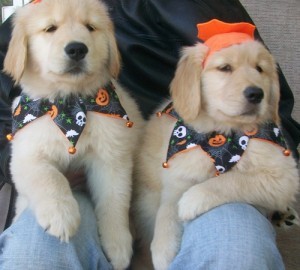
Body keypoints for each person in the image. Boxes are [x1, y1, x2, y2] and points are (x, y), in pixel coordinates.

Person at [0, 0, 299, 269]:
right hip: (76, 188)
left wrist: (242, 160)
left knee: (236, 246)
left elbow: (267, 98)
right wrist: (42, 174)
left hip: (207, 171)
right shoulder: (36, 13)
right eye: (51, 28)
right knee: (32, 253)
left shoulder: (211, 9)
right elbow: (11, 127)